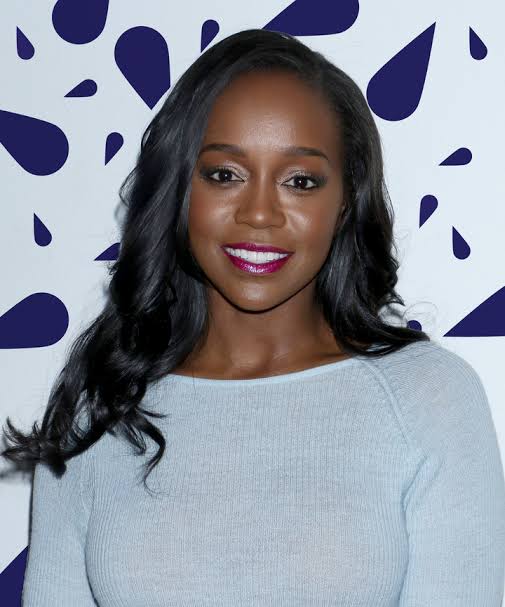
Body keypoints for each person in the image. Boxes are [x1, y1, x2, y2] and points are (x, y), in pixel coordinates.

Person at [2, 28, 505, 606]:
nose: (259, 213)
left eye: (300, 181)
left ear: (345, 200)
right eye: (225, 174)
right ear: (180, 187)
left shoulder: (429, 400)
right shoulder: (104, 407)